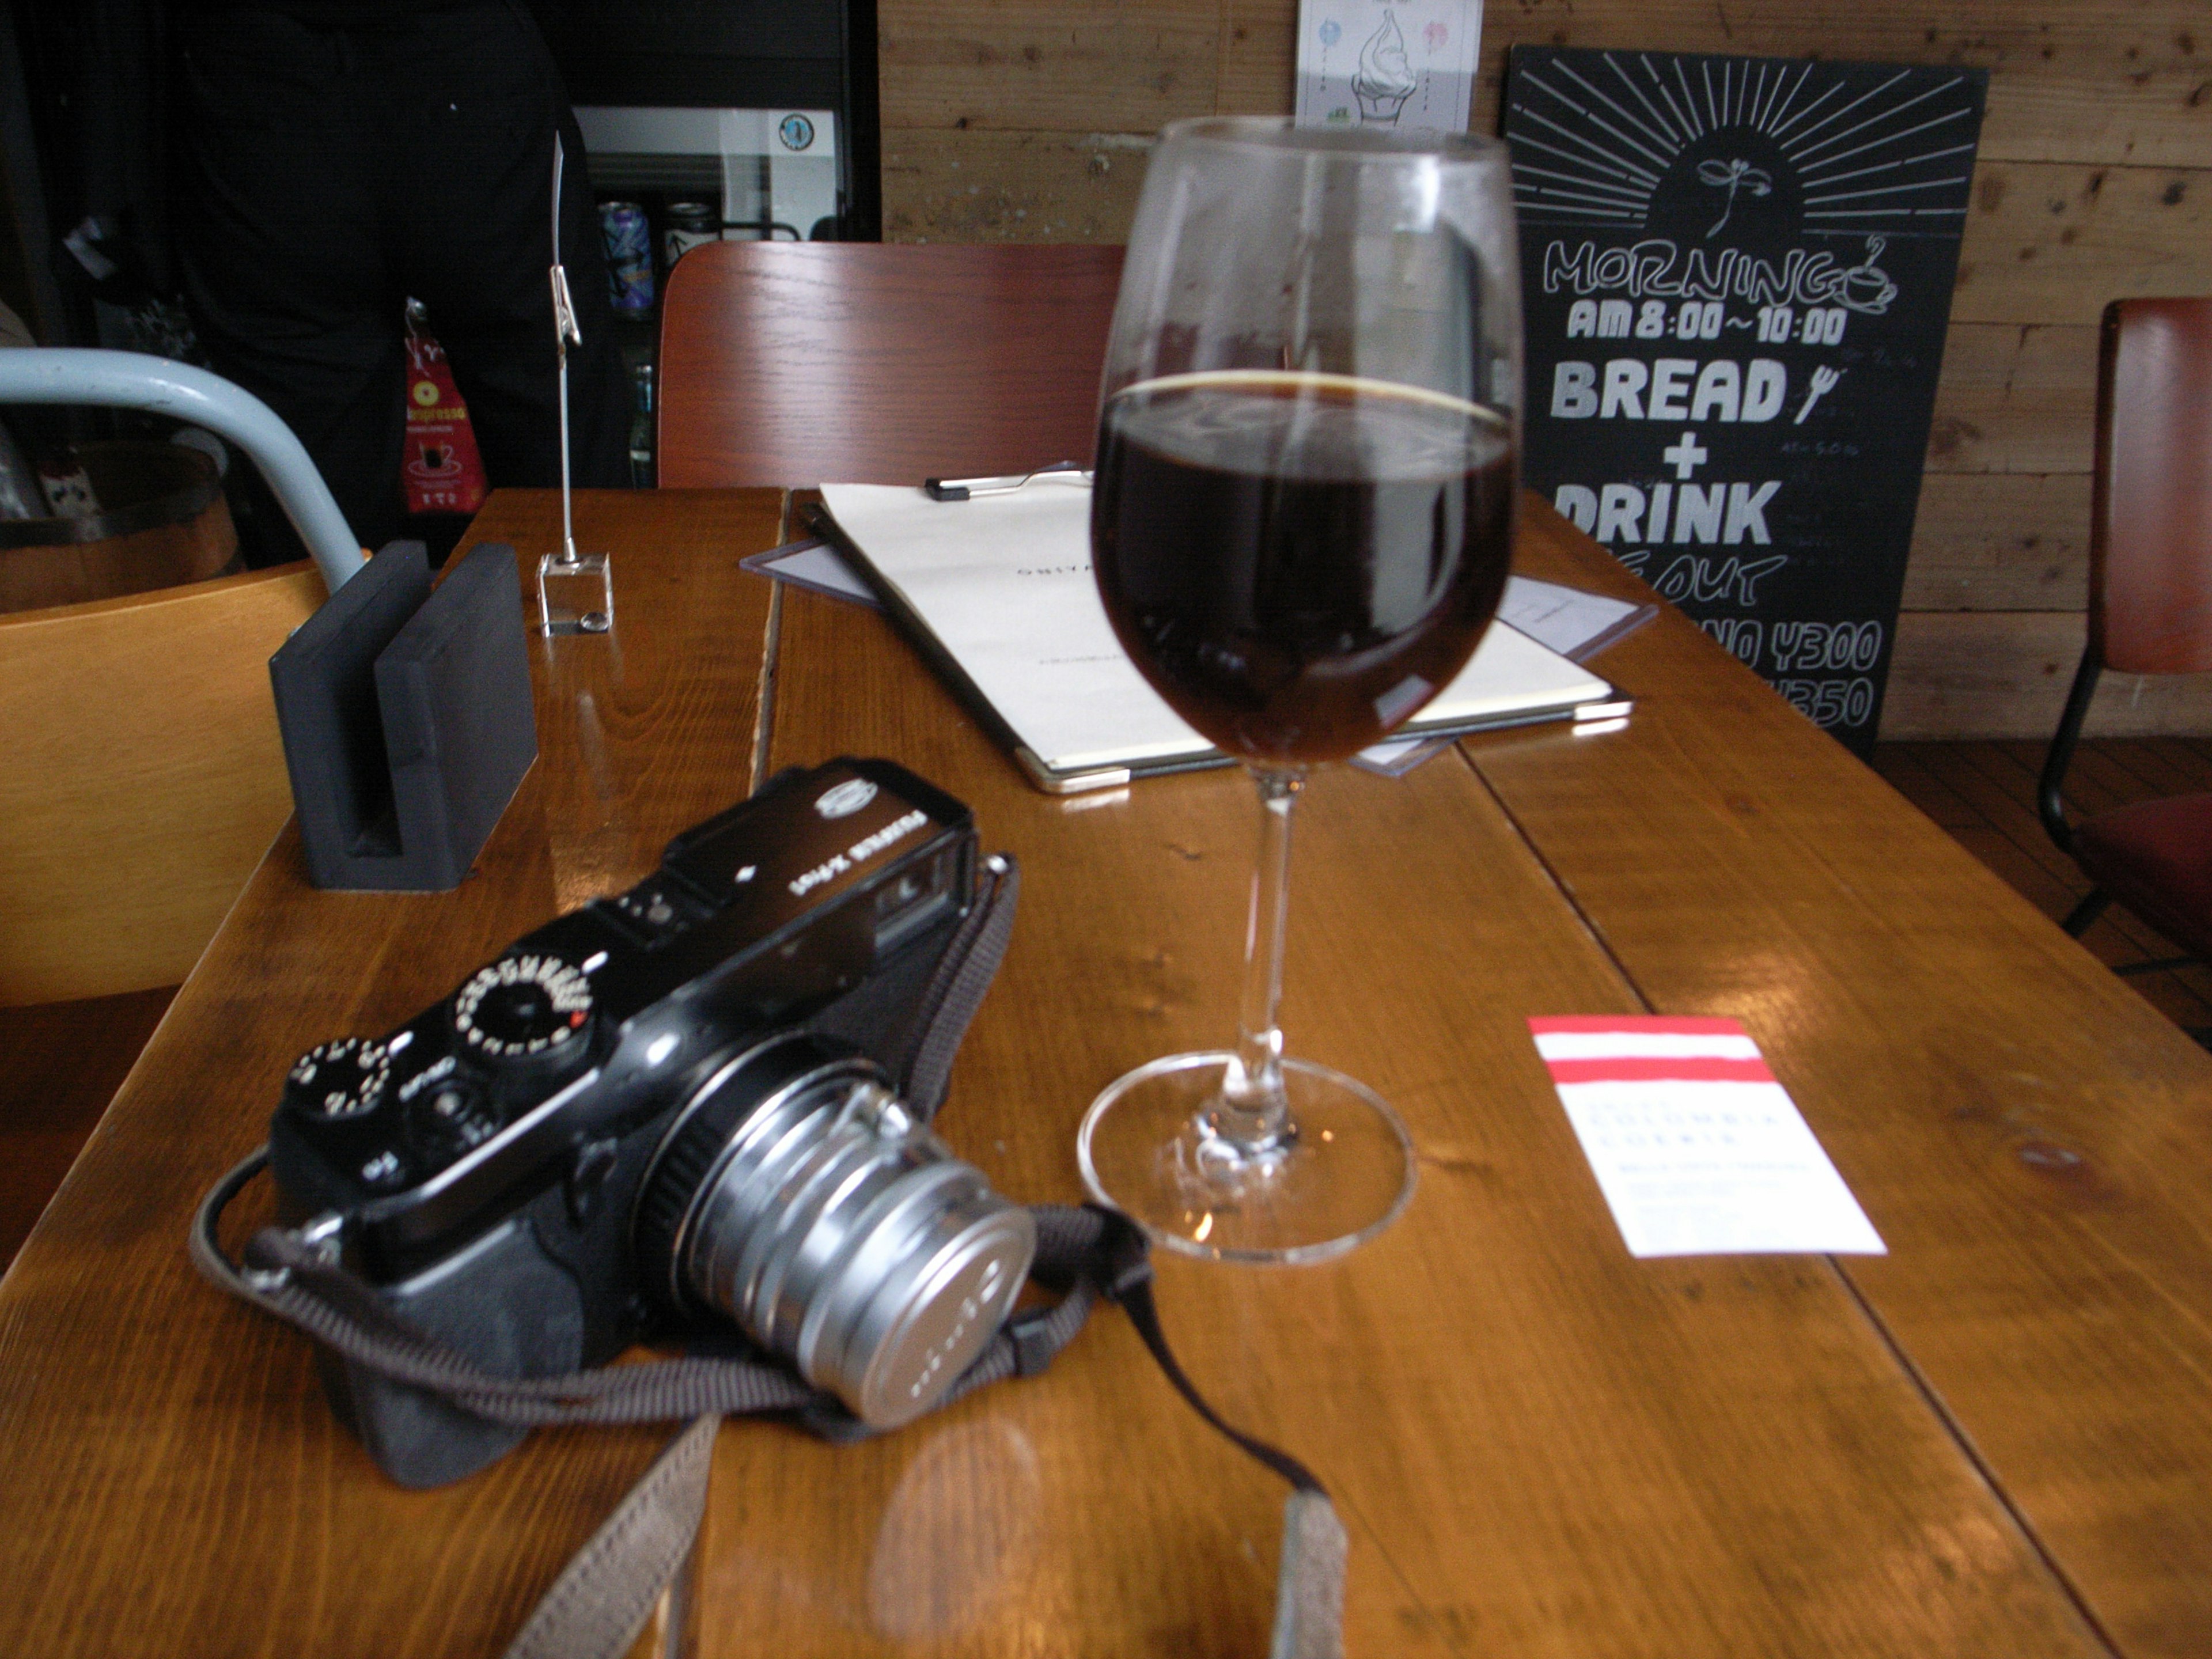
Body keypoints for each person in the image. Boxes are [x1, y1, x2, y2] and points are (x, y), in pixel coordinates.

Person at [173, 0, 631, 555]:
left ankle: (338, 634)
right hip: (458, 65)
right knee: (562, 476)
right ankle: (578, 625)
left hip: (254, 82)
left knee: (316, 519)